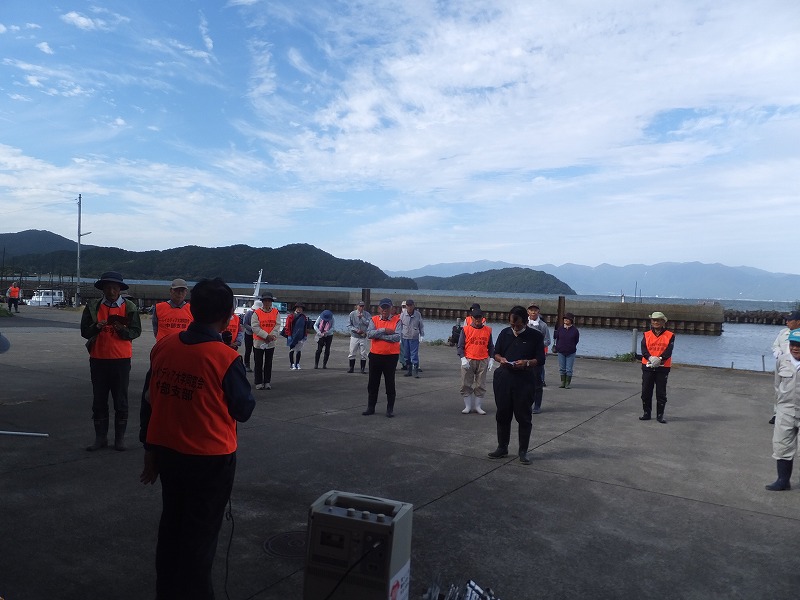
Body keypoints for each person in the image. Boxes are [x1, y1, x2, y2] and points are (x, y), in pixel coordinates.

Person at [139, 277, 255, 599]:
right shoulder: (225, 358)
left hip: (169, 454)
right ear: (228, 316)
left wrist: (149, 448)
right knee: (200, 539)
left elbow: (148, 401)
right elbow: (243, 409)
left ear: (192, 309)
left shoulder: (163, 347)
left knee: (172, 528)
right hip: (210, 461)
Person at [80, 271, 142, 451]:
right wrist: (96, 327)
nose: (111, 291)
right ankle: (100, 438)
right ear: (103, 289)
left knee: (120, 400)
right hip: (98, 359)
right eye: (108, 287)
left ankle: (119, 439)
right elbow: (84, 331)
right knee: (99, 400)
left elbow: (136, 331)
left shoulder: (129, 307)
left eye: (115, 287)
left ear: (120, 289)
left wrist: (122, 330)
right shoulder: (93, 306)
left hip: (121, 360)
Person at [488, 306, 545, 465]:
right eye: (512, 324)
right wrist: (501, 359)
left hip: (524, 380)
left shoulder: (535, 336)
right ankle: (502, 447)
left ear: (525, 321)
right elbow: (495, 353)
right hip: (504, 378)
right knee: (502, 414)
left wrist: (527, 362)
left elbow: (540, 359)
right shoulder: (504, 333)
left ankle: (523, 451)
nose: (514, 328)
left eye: (518, 325)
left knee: (524, 416)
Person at [766, 329, 800, 491]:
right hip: (785, 411)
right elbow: (777, 385)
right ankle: (783, 481)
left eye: (799, 345)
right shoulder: (782, 360)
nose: (795, 348)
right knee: (782, 446)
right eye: (793, 344)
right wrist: (778, 410)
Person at [362, 298, 401, 417]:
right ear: (379, 308)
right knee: (373, 383)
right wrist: (384, 330)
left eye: (387, 307)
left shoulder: (397, 320)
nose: (385, 310)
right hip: (375, 355)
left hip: (391, 357)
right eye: (383, 307)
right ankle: (371, 407)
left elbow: (397, 337)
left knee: (390, 383)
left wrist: (379, 336)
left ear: (391, 309)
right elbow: (369, 334)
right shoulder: (373, 319)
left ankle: (390, 409)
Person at [639, 311, 675, 423]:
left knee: (661, 393)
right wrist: (650, 358)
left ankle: (660, 415)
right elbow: (644, 349)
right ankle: (646, 413)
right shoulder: (646, 334)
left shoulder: (670, 335)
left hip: (663, 367)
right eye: (654, 320)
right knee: (646, 391)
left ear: (663, 322)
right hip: (648, 366)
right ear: (651, 321)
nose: (656, 322)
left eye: (658, 320)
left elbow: (669, 351)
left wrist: (660, 359)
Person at [457, 309, 494, 415]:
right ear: (471, 318)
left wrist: (491, 358)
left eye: (480, 317)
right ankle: (467, 406)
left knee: (481, 384)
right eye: (476, 317)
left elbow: (491, 346)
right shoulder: (465, 330)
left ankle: (478, 406)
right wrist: (463, 358)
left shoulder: (488, 330)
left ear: (483, 318)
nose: (478, 319)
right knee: (466, 383)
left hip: (483, 359)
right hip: (468, 359)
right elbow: (460, 346)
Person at [769, 310, 800, 424]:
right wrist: (777, 351)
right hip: (784, 365)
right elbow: (775, 345)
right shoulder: (783, 333)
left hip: (797, 365)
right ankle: (777, 413)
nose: (787, 322)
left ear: (798, 322)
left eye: (790, 320)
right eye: (786, 320)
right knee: (779, 389)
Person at [251, 293, 280, 389]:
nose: (267, 303)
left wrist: (272, 336)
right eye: (265, 301)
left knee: (268, 362)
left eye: (269, 301)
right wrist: (266, 336)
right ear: (262, 302)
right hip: (259, 341)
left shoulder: (276, 312)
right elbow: (255, 327)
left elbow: (277, 325)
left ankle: (267, 381)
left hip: (271, 342)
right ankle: (258, 382)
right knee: (258, 362)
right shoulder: (256, 313)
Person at [553, 312, 579, 389]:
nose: (566, 320)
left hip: (571, 352)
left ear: (571, 320)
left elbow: (576, 340)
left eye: (568, 319)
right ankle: (563, 382)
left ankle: (567, 383)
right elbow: (556, 337)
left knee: (569, 369)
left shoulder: (575, 330)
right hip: (561, 351)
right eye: (565, 319)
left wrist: (571, 346)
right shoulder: (560, 328)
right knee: (562, 368)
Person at [399, 299, 424, 378]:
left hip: (414, 337)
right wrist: (399, 337)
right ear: (406, 306)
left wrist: (422, 335)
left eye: (411, 305)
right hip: (405, 337)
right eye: (408, 305)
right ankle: (409, 370)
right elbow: (400, 326)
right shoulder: (402, 315)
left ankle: (415, 371)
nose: (409, 307)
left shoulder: (418, 314)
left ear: (413, 306)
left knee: (414, 355)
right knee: (406, 355)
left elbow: (421, 326)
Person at [527, 304, 551, 387]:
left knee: (539, 368)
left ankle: (541, 382)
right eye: (531, 310)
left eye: (535, 310)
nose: (533, 312)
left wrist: (538, 346)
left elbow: (548, 340)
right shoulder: (524, 323)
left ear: (538, 311)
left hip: (538, 352)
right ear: (528, 312)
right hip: (526, 351)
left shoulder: (543, 325)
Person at [347, 300, 371, 373]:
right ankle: (351, 368)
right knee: (352, 352)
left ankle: (362, 369)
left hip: (363, 336)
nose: (361, 307)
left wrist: (362, 318)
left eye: (363, 306)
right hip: (355, 336)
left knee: (363, 353)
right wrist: (356, 330)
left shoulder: (367, 314)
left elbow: (369, 323)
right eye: (360, 306)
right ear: (357, 306)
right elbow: (349, 325)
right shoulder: (352, 314)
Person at [283, 303, 308, 370]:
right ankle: (292, 364)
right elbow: (287, 326)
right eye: (298, 307)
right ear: (295, 308)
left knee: (299, 350)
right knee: (292, 350)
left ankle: (297, 363)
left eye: (301, 308)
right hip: (292, 335)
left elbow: (305, 327)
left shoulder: (304, 317)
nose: (299, 309)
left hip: (301, 335)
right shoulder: (290, 316)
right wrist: (289, 335)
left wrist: (305, 335)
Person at [242, 300, 262, 372]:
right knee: (248, 350)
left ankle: (258, 365)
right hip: (249, 334)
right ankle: (246, 365)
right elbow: (245, 323)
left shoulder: (261, 314)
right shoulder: (249, 313)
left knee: (257, 351)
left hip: (258, 335)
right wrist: (252, 329)